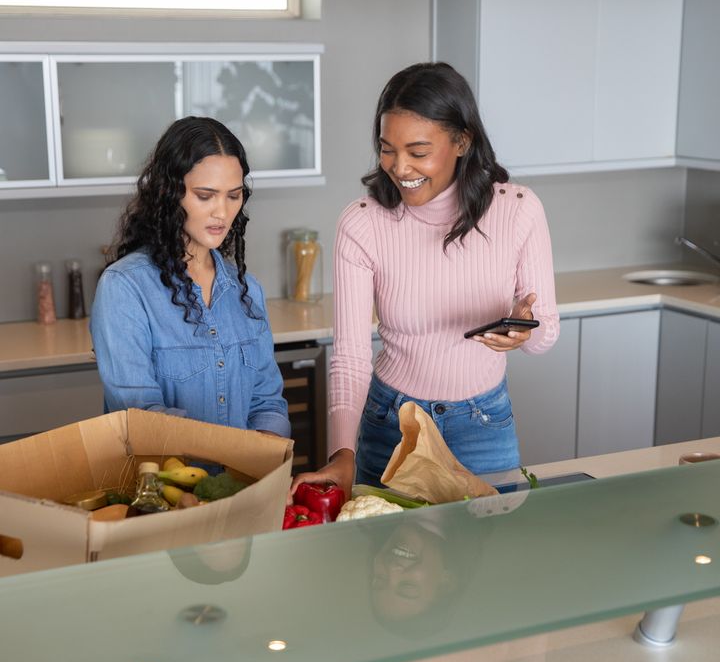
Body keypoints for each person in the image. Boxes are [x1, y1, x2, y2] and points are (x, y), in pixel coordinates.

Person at [292, 61, 559, 498]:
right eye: (387, 149)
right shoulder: (362, 223)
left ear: (461, 141)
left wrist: (523, 329)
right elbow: (351, 355)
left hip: (483, 425)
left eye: (418, 152)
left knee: (489, 561)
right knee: (385, 561)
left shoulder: (518, 209)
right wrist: (342, 452)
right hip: (390, 424)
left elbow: (545, 333)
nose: (399, 167)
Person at [91, 116, 290, 438]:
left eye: (233, 195)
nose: (222, 212)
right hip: (166, 485)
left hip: (246, 482)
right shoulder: (124, 288)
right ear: (170, 193)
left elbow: (267, 404)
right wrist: (232, 454)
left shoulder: (247, 290)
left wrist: (262, 463)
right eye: (205, 195)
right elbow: (141, 415)